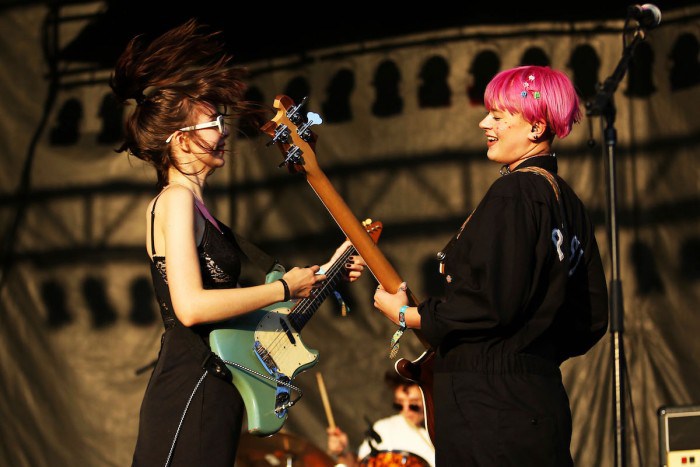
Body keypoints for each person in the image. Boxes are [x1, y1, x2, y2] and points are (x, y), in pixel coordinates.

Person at [109, 19, 365, 467]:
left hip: (216, 383)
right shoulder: (174, 200)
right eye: (213, 122)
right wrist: (285, 289)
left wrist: (326, 273)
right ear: (182, 139)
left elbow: (241, 307)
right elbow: (190, 307)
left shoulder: (200, 210)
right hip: (192, 384)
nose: (223, 131)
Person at [373, 65, 609, 466]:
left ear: (536, 127)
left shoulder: (514, 192)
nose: (484, 123)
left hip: (489, 408)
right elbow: (591, 318)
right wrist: (533, 349)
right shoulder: (568, 203)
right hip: (539, 399)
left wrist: (408, 315)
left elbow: (490, 302)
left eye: (499, 116)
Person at [326, 371, 435, 467]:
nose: (406, 410)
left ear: (429, 399)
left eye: (413, 405)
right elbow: (357, 464)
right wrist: (342, 452)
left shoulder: (444, 427)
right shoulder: (385, 428)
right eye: (399, 404)